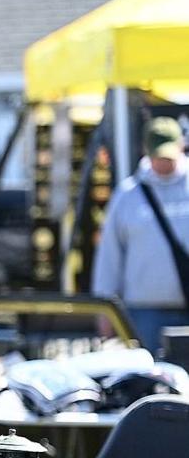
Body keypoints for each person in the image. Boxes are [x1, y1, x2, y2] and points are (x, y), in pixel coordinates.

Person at [92, 117, 189, 355]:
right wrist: (104, 308)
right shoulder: (128, 195)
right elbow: (110, 255)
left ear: (181, 146)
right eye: (159, 156)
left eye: (169, 156)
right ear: (147, 151)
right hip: (144, 312)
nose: (164, 163)